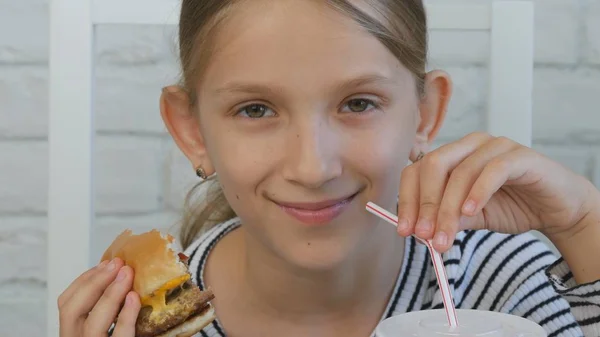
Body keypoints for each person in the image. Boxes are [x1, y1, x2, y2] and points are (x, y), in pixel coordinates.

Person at [57, 1, 600, 336]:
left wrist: (584, 228)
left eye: (358, 103)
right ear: (192, 130)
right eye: (256, 110)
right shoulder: (147, 325)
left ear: (424, 114)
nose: (313, 167)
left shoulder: (506, 288)